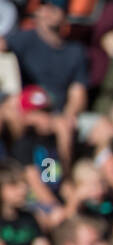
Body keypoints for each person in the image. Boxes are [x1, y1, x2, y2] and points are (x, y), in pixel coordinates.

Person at [4, 0, 85, 164]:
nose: (47, 12)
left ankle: (62, 183)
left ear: (64, 15)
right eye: (44, 7)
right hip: (25, 108)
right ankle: (15, 175)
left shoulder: (75, 51)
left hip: (56, 114)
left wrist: (67, 116)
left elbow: (78, 94)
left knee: (63, 129)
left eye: (54, 8)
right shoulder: (23, 39)